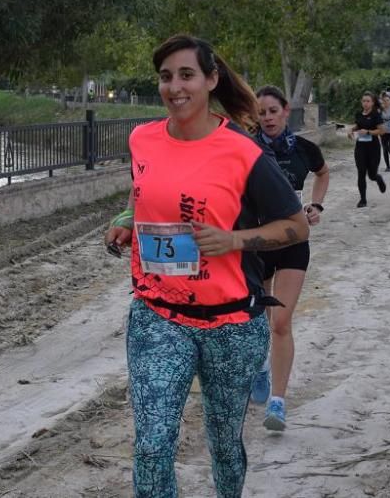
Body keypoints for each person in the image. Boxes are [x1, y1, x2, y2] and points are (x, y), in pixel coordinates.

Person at [104, 35, 310, 498]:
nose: (175, 87)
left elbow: (297, 226)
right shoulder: (142, 139)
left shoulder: (243, 152)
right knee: (153, 446)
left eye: (186, 75)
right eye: (165, 76)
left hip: (232, 323)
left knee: (222, 443)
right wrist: (125, 220)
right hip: (157, 315)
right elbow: (146, 193)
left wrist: (234, 240)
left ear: (211, 80)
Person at [251, 85, 330, 432]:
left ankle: (278, 402)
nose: (267, 118)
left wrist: (316, 205)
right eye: (261, 112)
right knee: (256, 323)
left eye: (272, 111)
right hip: (255, 244)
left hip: (294, 241)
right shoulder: (247, 149)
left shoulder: (304, 149)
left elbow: (323, 172)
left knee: (281, 323)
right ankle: (261, 369)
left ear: (286, 111)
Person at [349, 91, 387, 208]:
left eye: (368, 101)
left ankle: (378, 178)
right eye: (364, 101)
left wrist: (368, 132)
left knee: (371, 175)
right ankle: (363, 199)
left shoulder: (376, 114)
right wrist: (351, 130)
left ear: (372, 102)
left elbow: (382, 131)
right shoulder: (359, 114)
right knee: (361, 173)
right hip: (360, 147)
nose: (365, 103)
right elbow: (358, 125)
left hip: (373, 148)